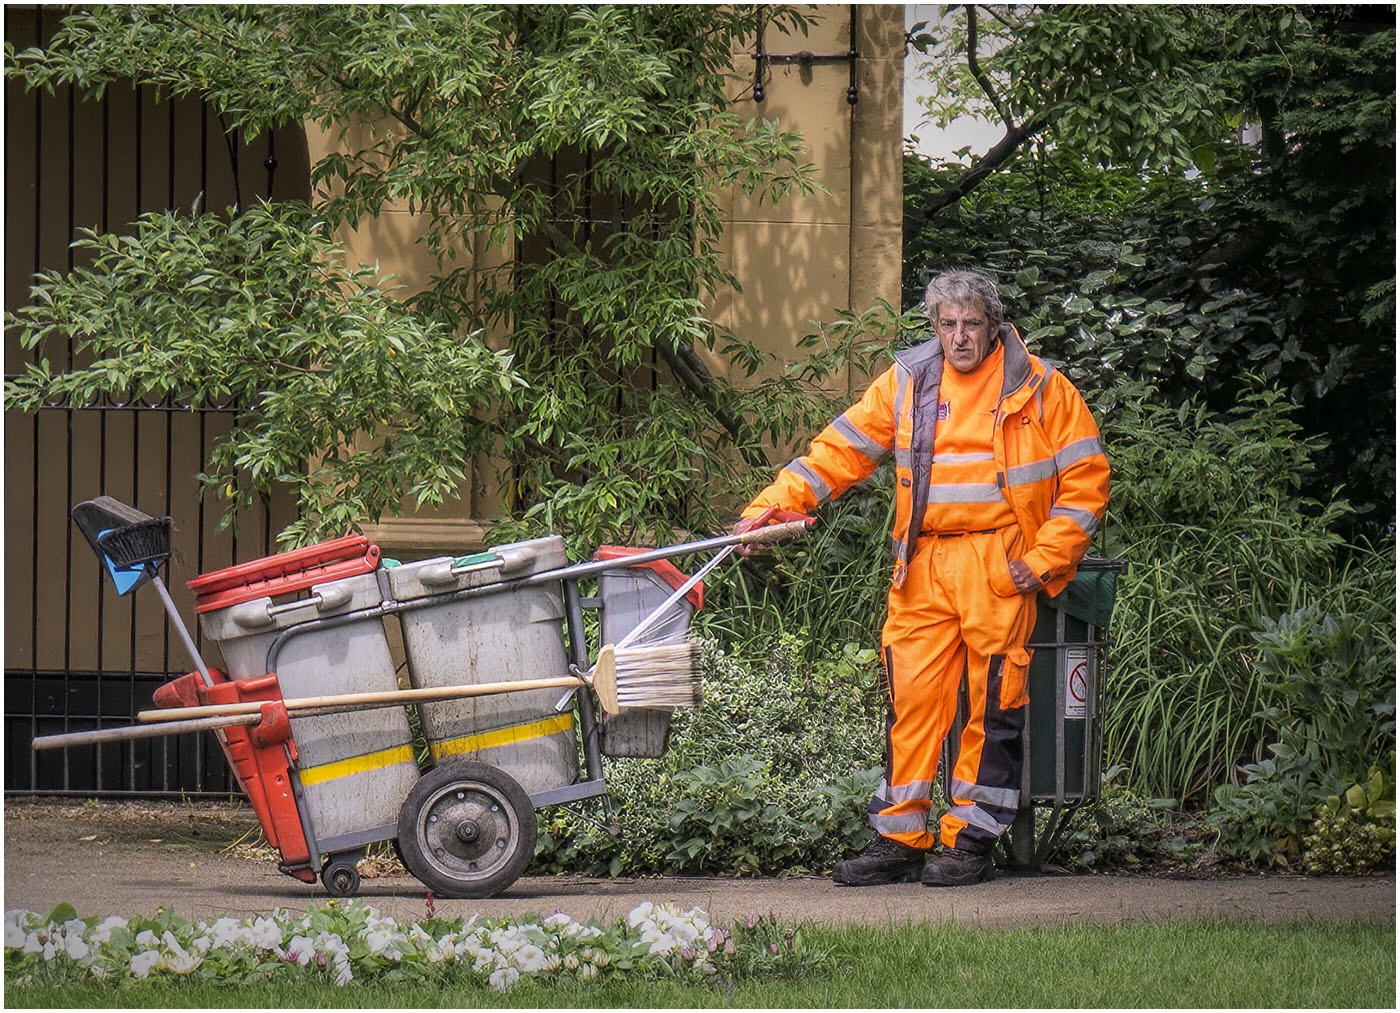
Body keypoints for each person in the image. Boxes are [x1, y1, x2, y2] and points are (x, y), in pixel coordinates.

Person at [734, 269, 1110, 887]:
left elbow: (1087, 481)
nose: (959, 337)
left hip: (999, 563)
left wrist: (1042, 561)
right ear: (934, 327)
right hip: (923, 563)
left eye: (971, 325)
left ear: (993, 327)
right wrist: (767, 512)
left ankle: (971, 839)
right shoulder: (908, 381)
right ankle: (900, 838)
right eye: (948, 325)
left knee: (993, 703)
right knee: (909, 702)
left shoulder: (1042, 387)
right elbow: (838, 452)